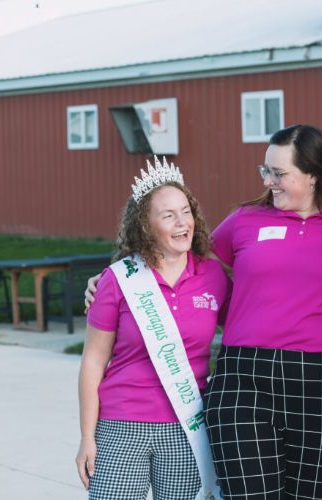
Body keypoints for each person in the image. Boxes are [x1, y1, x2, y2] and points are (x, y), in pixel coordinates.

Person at [204, 124, 322, 499]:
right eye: (266, 171)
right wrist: (115, 279)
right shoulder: (245, 219)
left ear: (314, 175)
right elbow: (190, 267)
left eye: (280, 173)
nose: (269, 182)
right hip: (245, 378)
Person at [76, 157, 230, 500]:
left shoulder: (213, 276)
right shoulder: (118, 279)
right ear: (145, 225)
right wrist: (87, 436)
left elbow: (245, 329)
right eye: (168, 215)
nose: (181, 223)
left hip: (185, 425)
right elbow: (92, 362)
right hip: (121, 424)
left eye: (186, 211)